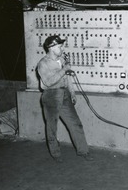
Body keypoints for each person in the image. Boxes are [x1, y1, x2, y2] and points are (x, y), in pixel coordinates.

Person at [37, 35, 93, 163]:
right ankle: (56, 154)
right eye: (59, 46)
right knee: (52, 127)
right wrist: (64, 69)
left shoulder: (61, 60)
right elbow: (49, 81)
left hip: (65, 94)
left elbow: (67, 78)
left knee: (76, 124)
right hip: (51, 95)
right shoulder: (43, 63)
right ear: (51, 47)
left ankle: (83, 151)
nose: (62, 48)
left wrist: (72, 92)